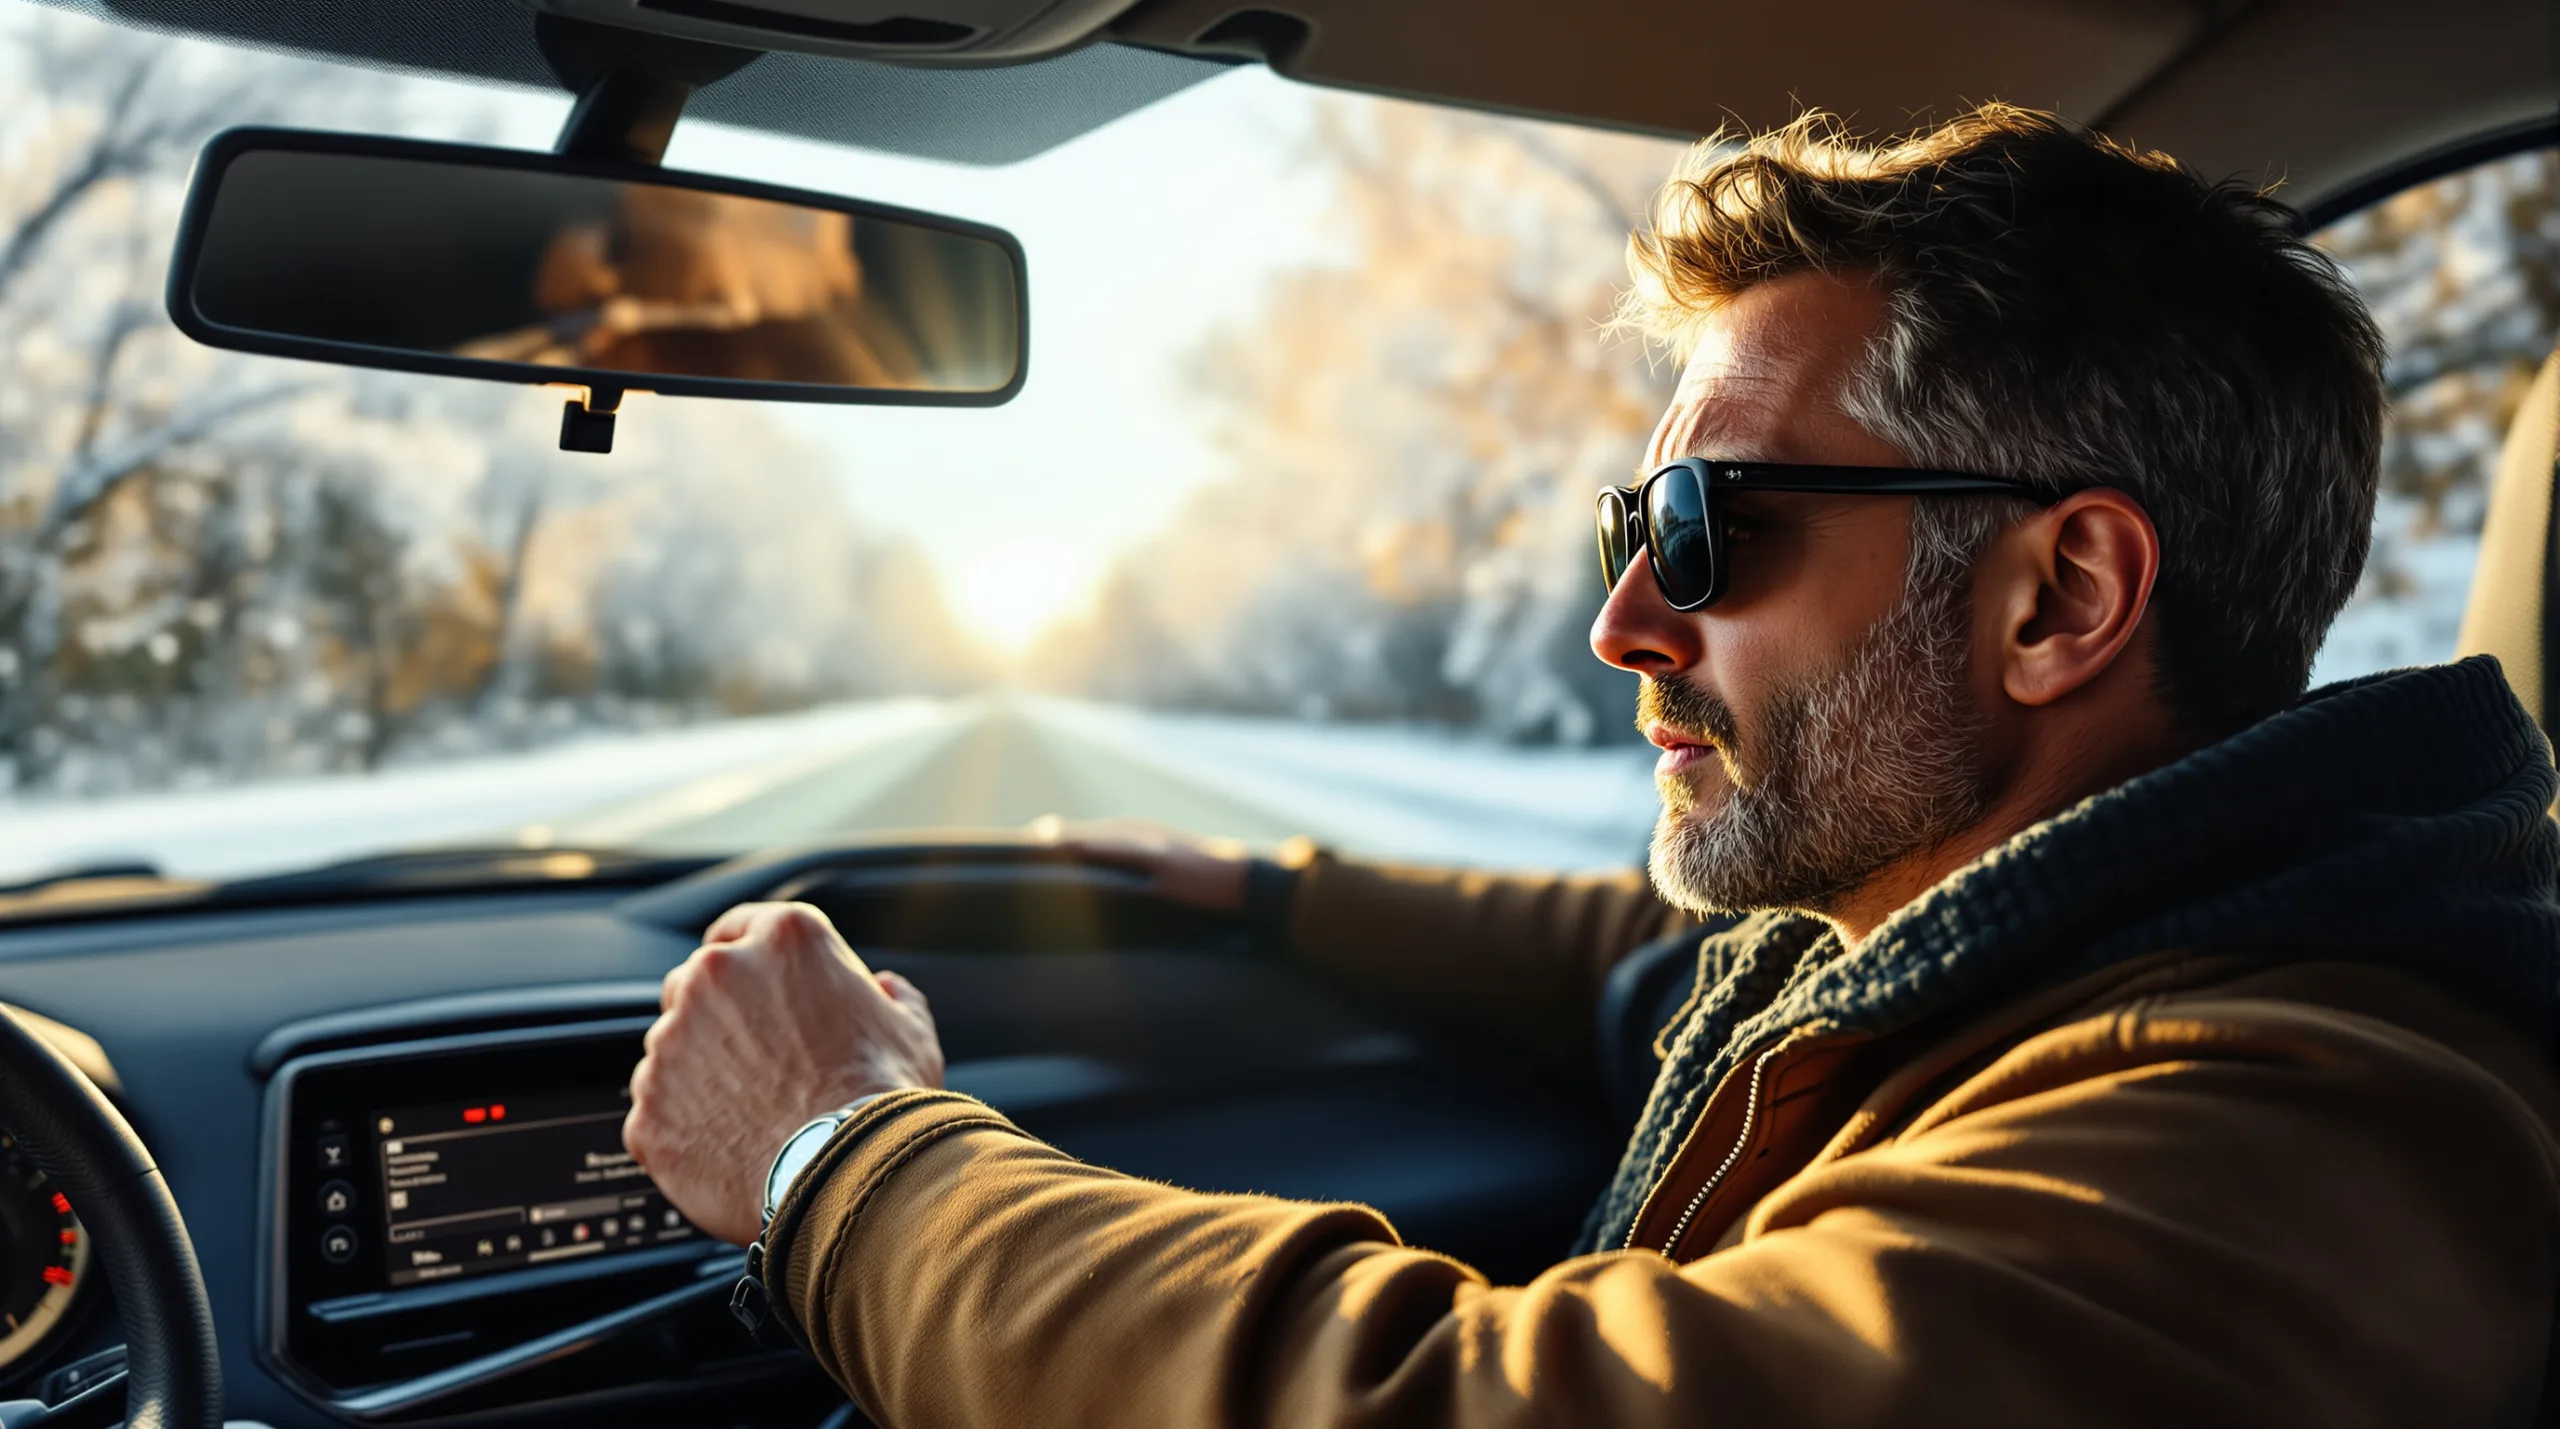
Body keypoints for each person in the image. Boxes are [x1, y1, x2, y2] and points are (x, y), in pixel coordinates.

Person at [620, 104, 2560, 1425]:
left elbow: (1465, 1408)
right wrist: (1279, 895)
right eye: (1613, 533)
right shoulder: (2034, 950)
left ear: (2056, 598)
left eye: (1703, 534)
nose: (1619, 625)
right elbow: (1652, 974)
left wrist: (836, 1159)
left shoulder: (2292, 1136)